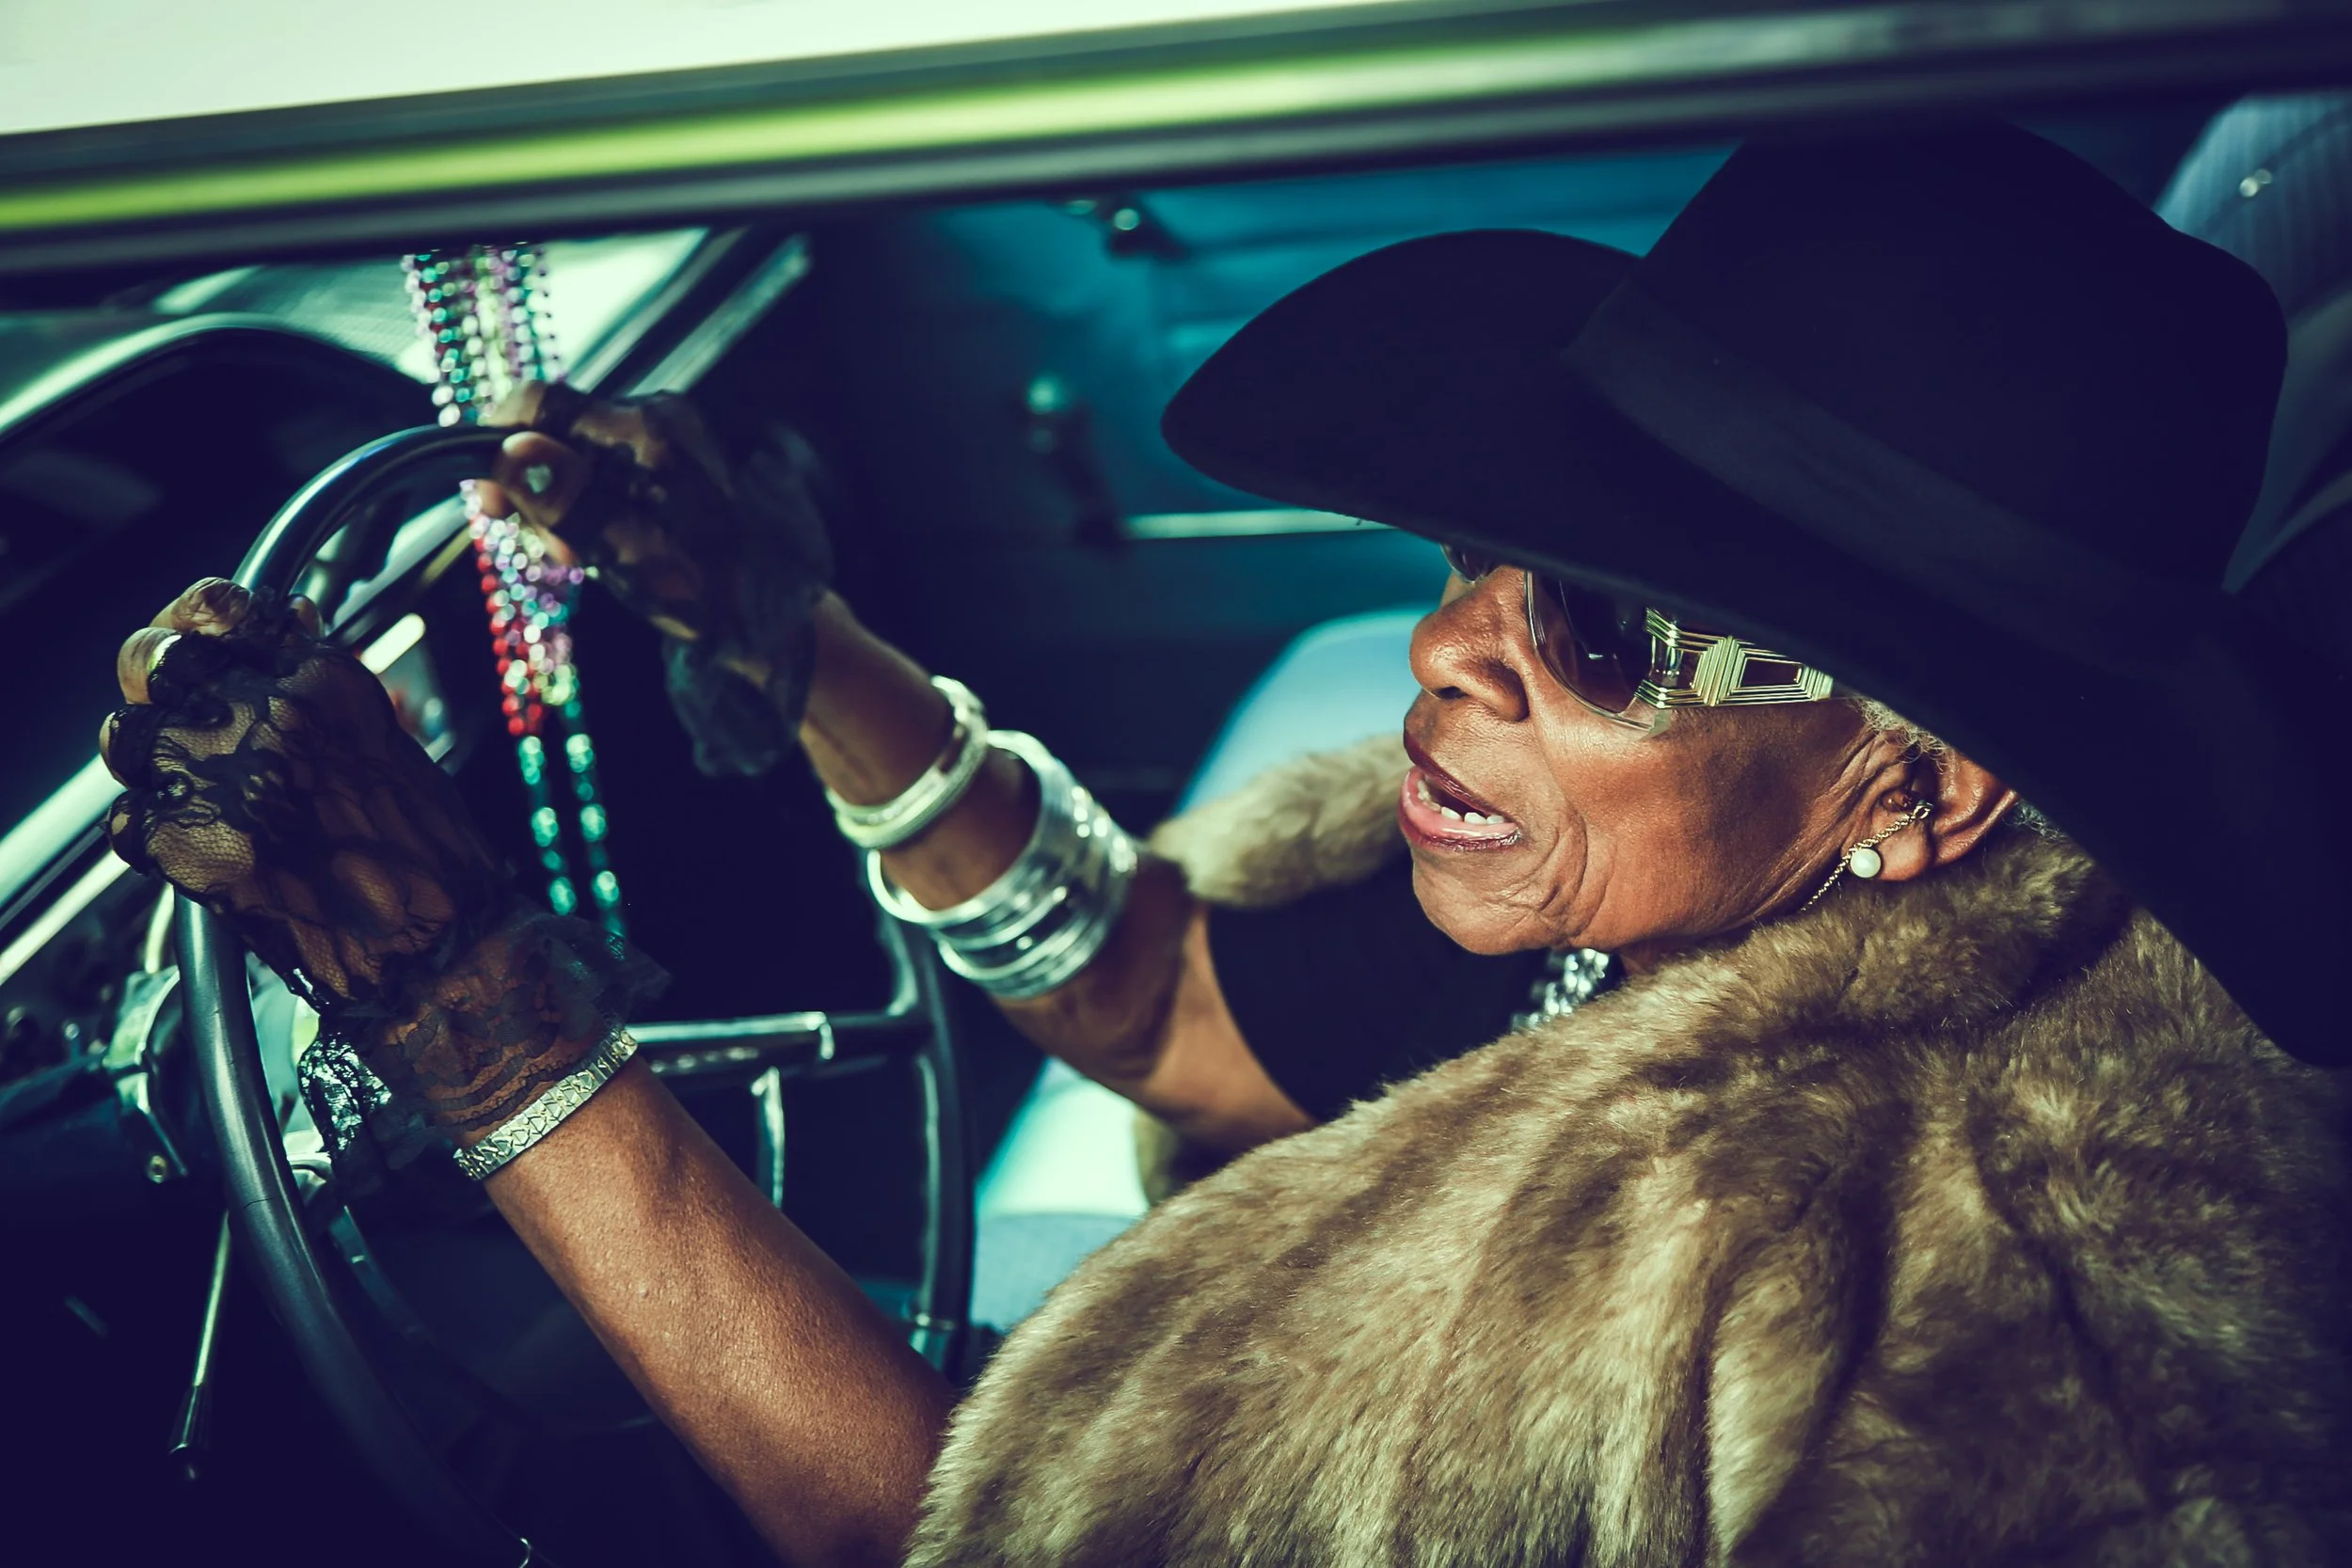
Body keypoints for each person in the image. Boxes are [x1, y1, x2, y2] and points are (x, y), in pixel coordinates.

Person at [100, 122, 2351, 1565]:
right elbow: (1174, 1002)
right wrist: (795, 641)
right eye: (1484, 547)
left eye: (1593, 627)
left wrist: (470, 1014)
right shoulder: (1672, 912)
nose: (1449, 645)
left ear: (1920, 785)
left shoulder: (1959, 1340)